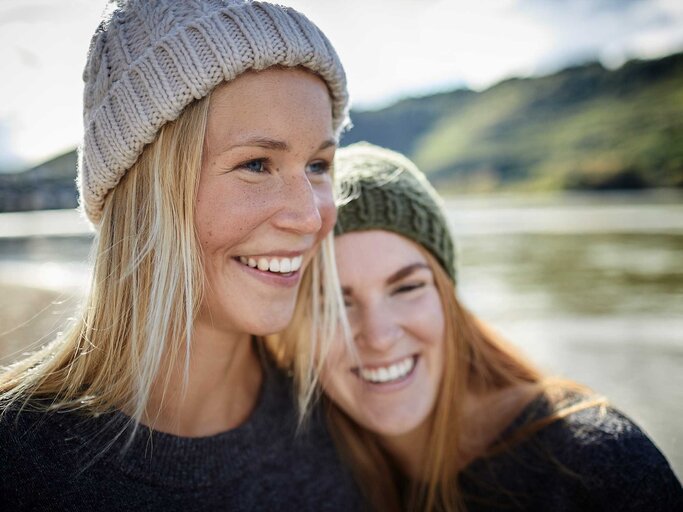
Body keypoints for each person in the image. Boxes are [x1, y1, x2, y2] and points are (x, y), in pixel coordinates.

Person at [0, 1, 362, 510]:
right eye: (257, 164)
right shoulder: (16, 460)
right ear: (146, 193)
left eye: (318, 165)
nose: (309, 217)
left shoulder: (348, 422)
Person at [319, 142, 683, 511]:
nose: (379, 336)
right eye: (334, 303)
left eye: (408, 287)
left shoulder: (594, 464)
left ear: (448, 300)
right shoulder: (302, 464)